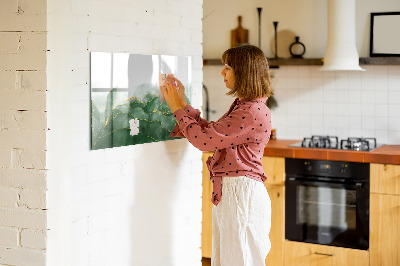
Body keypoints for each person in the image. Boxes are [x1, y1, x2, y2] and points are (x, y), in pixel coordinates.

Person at [160, 44, 273, 266]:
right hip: (235, 193)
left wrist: (176, 107)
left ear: (244, 71)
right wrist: (182, 103)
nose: (222, 72)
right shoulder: (246, 106)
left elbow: (204, 141)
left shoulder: (250, 111)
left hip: (241, 195)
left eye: (228, 67)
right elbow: (212, 133)